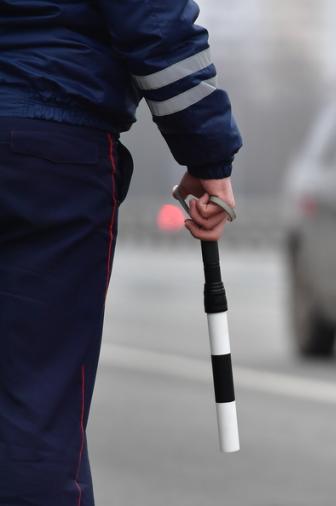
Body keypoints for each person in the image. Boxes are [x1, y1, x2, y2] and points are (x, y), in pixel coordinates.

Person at [0, 1, 242, 504]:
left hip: (45, 141)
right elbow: (152, 20)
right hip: (50, 147)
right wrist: (208, 154)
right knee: (38, 414)